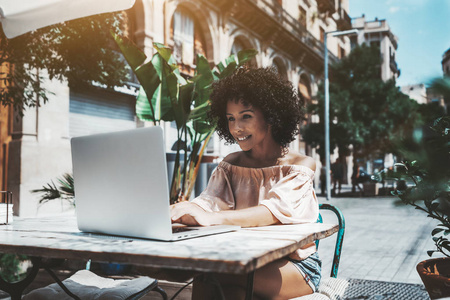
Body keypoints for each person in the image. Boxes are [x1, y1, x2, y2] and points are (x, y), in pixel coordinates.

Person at [170, 67, 320, 299]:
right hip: (245, 258)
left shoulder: (300, 165)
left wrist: (210, 219)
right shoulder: (230, 164)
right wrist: (183, 209)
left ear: (271, 115)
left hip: (295, 266)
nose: (236, 128)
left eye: (246, 116)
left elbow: (271, 212)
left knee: (218, 275)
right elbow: (209, 201)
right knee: (224, 285)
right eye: (230, 119)